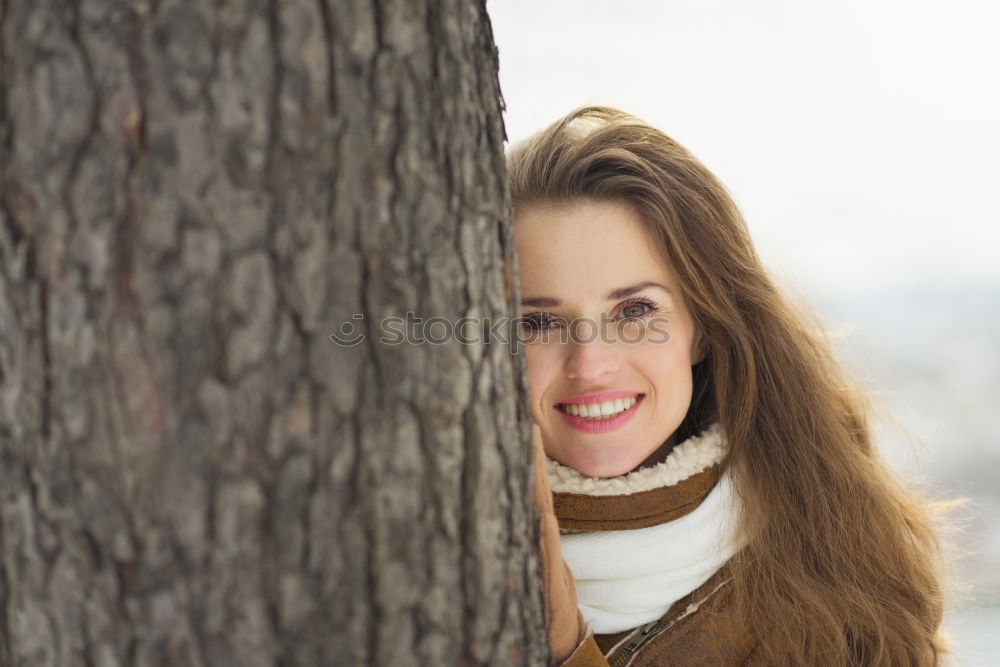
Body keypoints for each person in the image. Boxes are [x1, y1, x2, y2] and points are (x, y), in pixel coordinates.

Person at [507, 107, 949, 665]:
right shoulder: (417, 545)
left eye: (636, 309)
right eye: (537, 323)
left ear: (702, 328)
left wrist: (563, 649)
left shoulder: (836, 560)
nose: (591, 364)